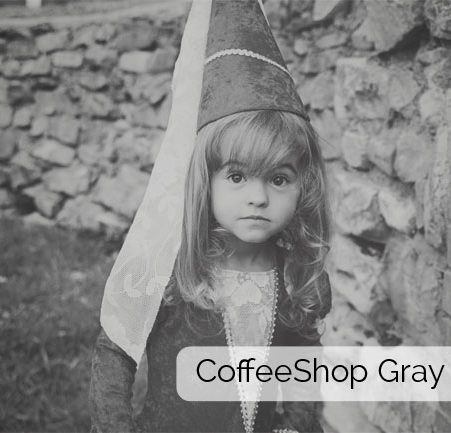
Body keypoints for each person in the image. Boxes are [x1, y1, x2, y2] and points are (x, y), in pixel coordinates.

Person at [89, 1, 332, 432]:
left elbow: (301, 364)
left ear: (303, 185)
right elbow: (115, 352)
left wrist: (296, 425)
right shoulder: (169, 271)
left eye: (278, 178)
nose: (257, 197)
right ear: (205, 179)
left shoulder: (296, 273)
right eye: (237, 176)